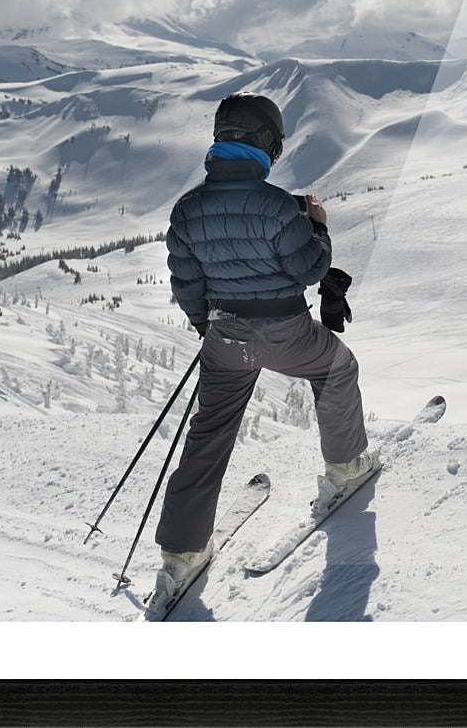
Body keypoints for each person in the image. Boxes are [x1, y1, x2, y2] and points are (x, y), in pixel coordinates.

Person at [144, 92, 375, 620]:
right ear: (266, 144)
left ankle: (180, 555)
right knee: (337, 367)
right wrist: (317, 224)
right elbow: (309, 269)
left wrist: (212, 328)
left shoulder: (187, 209)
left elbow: (188, 283)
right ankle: (344, 468)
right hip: (284, 330)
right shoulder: (276, 204)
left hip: (224, 335)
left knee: (208, 435)